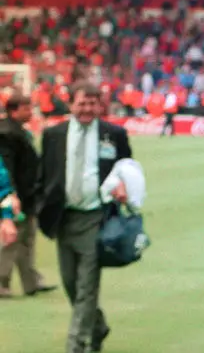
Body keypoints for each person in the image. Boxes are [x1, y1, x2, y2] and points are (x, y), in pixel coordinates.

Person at [38, 82, 132, 353]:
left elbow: (126, 167)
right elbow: (46, 174)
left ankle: (76, 346)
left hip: (95, 218)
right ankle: (97, 325)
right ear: (71, 104)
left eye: (93, 103)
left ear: (100, 105)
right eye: (82, 103)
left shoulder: (113, 134)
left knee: (87, 286)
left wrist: (123, 185)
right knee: (70, 283)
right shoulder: (53, 135)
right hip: (63, 218)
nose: (87, 109)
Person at [0, 92, 57, 298]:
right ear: (14, 111)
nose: (31, 112)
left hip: (27, 194)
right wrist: (10, 194)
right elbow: (7, 167)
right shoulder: (6, 134)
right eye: (26, 108)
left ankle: (30, 281)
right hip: (16, 196)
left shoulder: (16, 131)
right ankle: (2, 281)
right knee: (12, 238)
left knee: (27, 238)